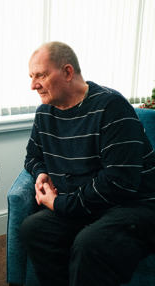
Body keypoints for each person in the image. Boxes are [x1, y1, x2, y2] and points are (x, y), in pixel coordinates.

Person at [20, 41, 155, 286]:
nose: (33, 85)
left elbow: (120, 183)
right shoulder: (45, 113)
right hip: (84, 205)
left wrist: (61, 204)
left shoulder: (112, 107)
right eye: (31, 76)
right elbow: (33, 157)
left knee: (91, 244)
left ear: (68, 72)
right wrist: (41, 174)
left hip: (134, 205)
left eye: (40, 75)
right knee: (34, 229)